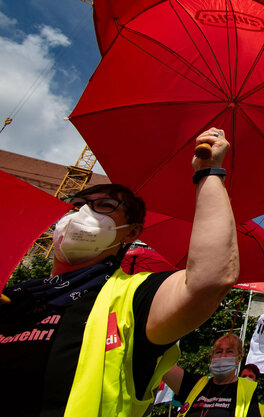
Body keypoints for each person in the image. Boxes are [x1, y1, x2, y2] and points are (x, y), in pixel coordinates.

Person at [0, 128, 238, 416]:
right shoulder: (14, 294)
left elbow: (210, 279)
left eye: (104, 206)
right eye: (77, 206)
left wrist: (209, 171)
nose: (83, 214)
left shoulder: (133, 298)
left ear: (132, 233)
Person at [164, 334, 261, 416]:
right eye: (218, 352)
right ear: (211, 358)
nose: (223, 356)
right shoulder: (195, 384)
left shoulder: (247, 390)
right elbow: (163, 364)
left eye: (229, 351)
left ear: (239, 358)